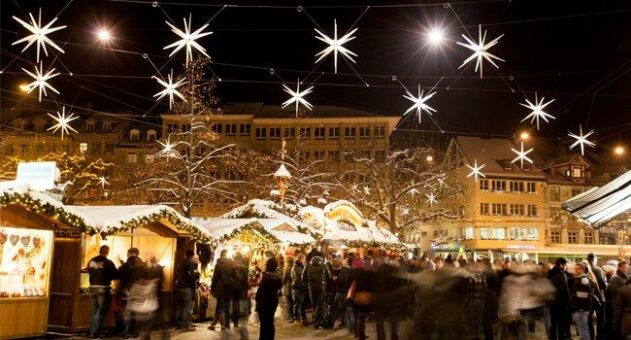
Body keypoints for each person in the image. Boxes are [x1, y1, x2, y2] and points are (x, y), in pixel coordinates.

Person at [86, 245, 119, 339]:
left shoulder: (91, 260)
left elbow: (88, 271)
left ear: (100, 251)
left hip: (92, 287)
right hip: (103, 288)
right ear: (107, 252)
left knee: (94, 310)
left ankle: (92, 331)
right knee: (100, 311)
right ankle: (94, 333)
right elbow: (115, 275)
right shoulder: (108, 262)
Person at [255, 258, 283, 340]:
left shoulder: (265, 275)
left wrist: (257, 299)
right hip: (273, 301)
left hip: (263, 302)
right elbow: (280, 286)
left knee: (264, 323)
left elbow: (261, 290)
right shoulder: (277, 277)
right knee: (270, 322)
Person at [116, 247, 141, 336]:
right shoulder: (141, 266)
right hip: (137, 291)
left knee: (126, 311)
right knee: (134, 311)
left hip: (126, 291)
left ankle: (125, 331)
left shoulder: (125, 265)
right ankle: (134, 331)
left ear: (129, 254)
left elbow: (118, 275)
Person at [209, 249, 236, 331]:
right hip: (228, 287)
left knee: (220, 306)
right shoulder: (231, 264)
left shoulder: (218, 264)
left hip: (220, 287)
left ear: (220, 255)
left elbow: (215, 278)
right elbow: (234, 276)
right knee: (221, 306)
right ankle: (213, 324)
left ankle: (223, 325)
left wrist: (212, 289)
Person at [302, 255, 331, 329]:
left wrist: (307, 285)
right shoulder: (324, 266)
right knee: (320, 305)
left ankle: (316, 320)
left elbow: (303, 277)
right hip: (322, 288)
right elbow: (329, 276)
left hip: (311, 289)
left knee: (314, 305)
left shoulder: (307, 266)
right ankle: (317, 323)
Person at [175, 249, 199, 331]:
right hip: (186, 287)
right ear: (192, 256)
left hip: (179, 286)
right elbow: (192, 276)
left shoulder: (180, 262)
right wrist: (197, 275)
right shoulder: (190, 263)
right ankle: (185, 325)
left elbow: (177, 274)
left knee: (180, 306)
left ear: (185, 254)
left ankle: (178, 324)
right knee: (187, 306)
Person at [548, 257, 570, 340]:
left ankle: (553, 337)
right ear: (561, 265)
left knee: (553, 322)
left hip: (552, 302)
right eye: (565, 265)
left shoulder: (549, 273)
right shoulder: (561, 274)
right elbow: (564, 290)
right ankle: (561, 337)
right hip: (561, 303)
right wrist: (568, 300)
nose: (566, 267)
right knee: (561, 323)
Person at [571, 262, 594, 340]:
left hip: (582, 309)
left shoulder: (584, 280)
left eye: (578, 269)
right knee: (583, 329)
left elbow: (584, 296)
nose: (576, 270)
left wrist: (580, 308)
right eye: (575, 268)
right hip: (581, 308)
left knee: (583, 329)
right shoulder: (579, 278)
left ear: (583, 270)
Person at [587, 253, 607, 340]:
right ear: (594, 259)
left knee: (589, 318)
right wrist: (606, 285)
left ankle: (591, 336)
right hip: (598, 297)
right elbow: (602, 284)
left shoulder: (585, 268)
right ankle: (599, 337)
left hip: (589, 297)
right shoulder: (597, 269)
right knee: (600, 318)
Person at [607, 260, 628, 338]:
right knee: (616, 325)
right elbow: (613, 291)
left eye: (626, 267)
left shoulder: (623, 276)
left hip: (621, 305)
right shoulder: (616, 278)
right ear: (619, 267)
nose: (624, 269)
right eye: (623, 267)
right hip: (616, 304)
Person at [291, 253, 307, 325]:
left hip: (300, 288)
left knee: (301, 304)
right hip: (297, 288)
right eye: (303, 259)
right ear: (300, 259)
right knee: (297, 304)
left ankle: (303, 319)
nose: (304, 260)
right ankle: (296, 320)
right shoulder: (296, 267)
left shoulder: (300, 266)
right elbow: (301, 277)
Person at [282, 256, 295, 323]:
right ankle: (294, 316)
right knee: (293, 302)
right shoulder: (294, 267)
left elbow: (284, 279)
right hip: (294, 287)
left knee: (289, 302)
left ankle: (290, 317)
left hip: (288, 287)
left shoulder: (287, 268)